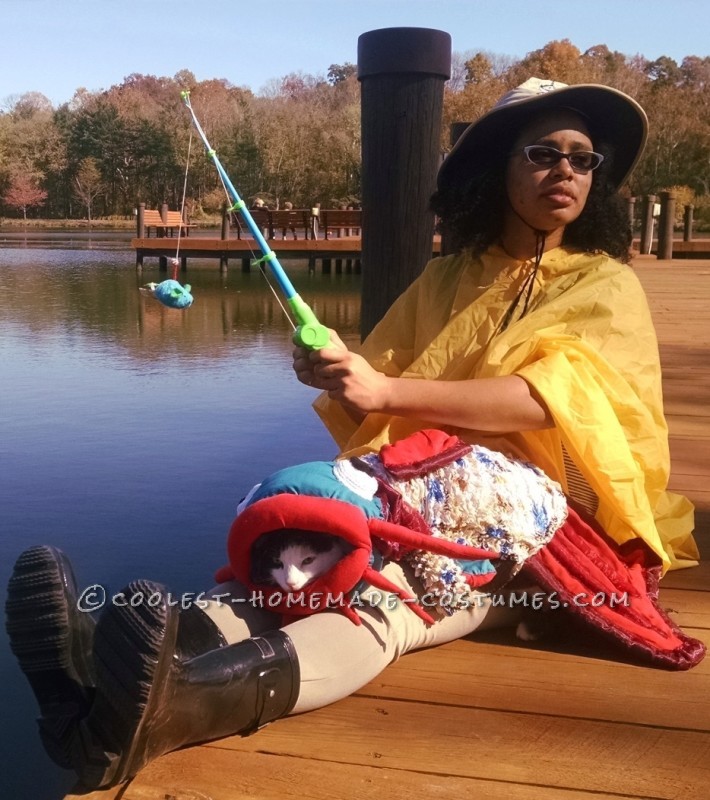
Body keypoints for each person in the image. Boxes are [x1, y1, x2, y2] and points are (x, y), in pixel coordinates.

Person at [5, 78, 702, 791]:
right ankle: (99, 678)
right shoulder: (446, 278)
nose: (566, 170)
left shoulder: (604, 286)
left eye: (584, 159)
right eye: (544, 152)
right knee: (300, 557)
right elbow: (379, 390)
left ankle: (179, 702)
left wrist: (387, 391)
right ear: (497, 166)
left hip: (547, 524)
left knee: (390, 593)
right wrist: (339, 369)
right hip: (419, 487)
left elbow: (548, 399)